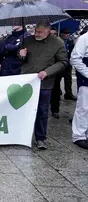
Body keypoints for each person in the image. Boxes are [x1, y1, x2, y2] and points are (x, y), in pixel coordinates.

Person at [19, 21, 68, 150]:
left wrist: (47, 72)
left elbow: (63, 62)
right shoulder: (28, 40)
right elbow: (20, 59)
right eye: (36, 31)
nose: (37, 34)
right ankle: (21, 136)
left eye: (40, 32)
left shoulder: (57, 43)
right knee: (23, 109)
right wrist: (21, 55)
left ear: (48, 31)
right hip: (27, 82)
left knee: (42, 111)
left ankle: (41, 138)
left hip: (44, 83)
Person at [70, 31, 88, 149]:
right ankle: (79, 136)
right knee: (84, 107)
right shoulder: (85, 38)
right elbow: (75, 58)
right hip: (86, 80)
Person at [59, 28, 77, 100]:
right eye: (64, 33)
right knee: (58, 79)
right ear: (61, 33)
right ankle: (58, 92)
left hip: (68, 62)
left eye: (67, 33)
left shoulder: (70, 42)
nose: (66, 35)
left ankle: (68, 94)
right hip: (60, 62)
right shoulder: (58, 41)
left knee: (68, 79)